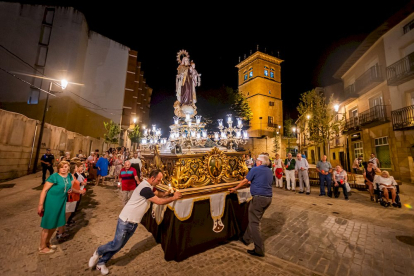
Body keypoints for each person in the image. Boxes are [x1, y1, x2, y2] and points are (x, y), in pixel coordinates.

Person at [88, 169, 182, 275]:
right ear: (152, 178)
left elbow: (158, 194)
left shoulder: (149, 186)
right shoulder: (145, 188)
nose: (159, 183)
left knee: (119, 245)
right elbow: (159, 201)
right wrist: (173, 198)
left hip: (133, 222)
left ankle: (101, 263)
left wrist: (167, 193)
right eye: (159, 180)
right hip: (126, 220)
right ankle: (98, 251)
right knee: (116, 244)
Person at [229, 154, 273, 257]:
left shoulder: (255, 169)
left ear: (260, 162)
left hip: (258, 198)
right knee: (254, 219)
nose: (255, 161)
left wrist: (235, 188)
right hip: (268, 198)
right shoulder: (269, 171)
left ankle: (258, 249)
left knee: (254, 223)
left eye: (257, 160)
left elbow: (245, 181)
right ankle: (246, 238)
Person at [37, 161, 73, 254]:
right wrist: (40, 205)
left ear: (68, 168)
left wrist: (69, 190)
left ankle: (47, 242)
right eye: (61, 167)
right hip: (51, 203)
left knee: (55, 223)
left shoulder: (69, 176)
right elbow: (44, 190)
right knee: (48, 224)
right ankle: (42, 247)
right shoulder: (54, 177)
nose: (64, 169)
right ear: (58, 168)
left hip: (61, 202)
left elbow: (68, 186)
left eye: (65, 167)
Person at [56, 163, 86, 239]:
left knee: (66, 215)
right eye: (76, 167)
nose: (77, 168)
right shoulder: (71, 176)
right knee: (65, 216)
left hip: (73, 197)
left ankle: (61, 231)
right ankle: (60, 232)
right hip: (71, 198)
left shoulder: (71, 176)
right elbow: (70, 188)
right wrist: (80, 191)